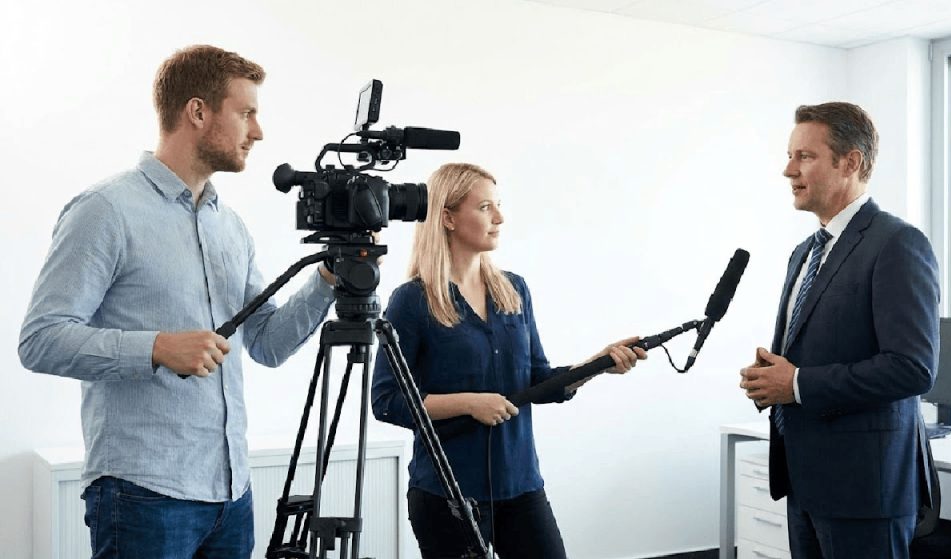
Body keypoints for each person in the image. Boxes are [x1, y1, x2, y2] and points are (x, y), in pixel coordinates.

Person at [19, 45, 337, 559]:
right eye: (247, 112)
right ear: (198, 112)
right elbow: (40, 340)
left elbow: (268, 344)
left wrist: (326, 278)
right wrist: (157, 347)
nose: (258, 131)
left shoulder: (230, 226)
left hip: (232, 497)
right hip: (142, 495)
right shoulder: (105, 210)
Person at [370, 162, 646, 558]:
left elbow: (538, 380)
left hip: (521, 486)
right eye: (485, 208)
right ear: (447, 217)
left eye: (498, 206)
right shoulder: (411, 301)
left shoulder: (514, 290)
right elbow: (386, 401)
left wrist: (597, 364)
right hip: (447, 496)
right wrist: (469, 403)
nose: (499, 218)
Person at [738, 102, 939, 559]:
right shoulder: (803, 252)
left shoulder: (897, 243)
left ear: (850, 162)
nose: (788, 170)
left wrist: (797, 383)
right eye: (790, 155)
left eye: (804, 156)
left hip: (865, 490)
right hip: (804, 481)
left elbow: (912, 368)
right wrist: (771, 381)